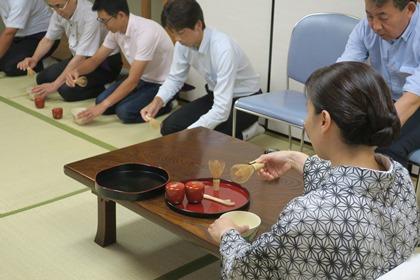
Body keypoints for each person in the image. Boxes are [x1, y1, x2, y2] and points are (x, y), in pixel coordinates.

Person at [208, 62, 419, 279]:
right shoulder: (400, 175)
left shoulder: (312, 216)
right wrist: (293, 157)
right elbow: (352, 183)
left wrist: (227, 234)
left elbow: (246, 272)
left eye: (308, 111)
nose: (306, 122)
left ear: (324, 120)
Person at [140, 0, 264, 140]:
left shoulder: (223, 49)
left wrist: (191, 132)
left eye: (180, 33)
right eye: (173, 33)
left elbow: (222, 110)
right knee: (169, 128)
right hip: (216, 96)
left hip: (246, 101)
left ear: (198, 25)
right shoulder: (182, 44)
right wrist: (157, 101)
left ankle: (251, 130)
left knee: (211, 139)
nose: (177, 39)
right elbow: (175, 78)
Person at [337, 0, 420, 167]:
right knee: (346, 131)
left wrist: (378, 130)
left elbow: (413, 97)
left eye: (383, 17)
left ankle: (391, 192)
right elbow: (343, 71)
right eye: (369, 16)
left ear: (410, 9)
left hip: (415, 101)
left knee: (387, 146)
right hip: (390, 99)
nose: (375, 26)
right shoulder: (366, 28)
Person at [65, 0, 173, 124]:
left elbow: (132, 81)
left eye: (105, 20)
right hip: (143, 78)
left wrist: (102, 107)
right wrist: (76, 71)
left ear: (121, 15)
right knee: (101, 102)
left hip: (161, 83)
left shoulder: (146, 32)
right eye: (101, 20)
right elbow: (95, 60)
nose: (104, 25)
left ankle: (167, 104)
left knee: (124, 112)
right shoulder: (116, 32)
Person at [17, 0, 122, 102]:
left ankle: (108, 85)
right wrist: (34, 59)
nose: (57, 11)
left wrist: (54, 85)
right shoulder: (58, 12)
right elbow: (48, 39)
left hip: (103, 65)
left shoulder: (91, 15)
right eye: (52, 6)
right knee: (42, 78)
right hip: (78, 59)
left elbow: (82, 57)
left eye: (59, 6)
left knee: (66, 91)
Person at [0, 0, 57, 76]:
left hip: (42, 36)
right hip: (18, 36)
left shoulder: (20, 1)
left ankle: (45, 62)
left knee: (10, 66)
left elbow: (9, 33)